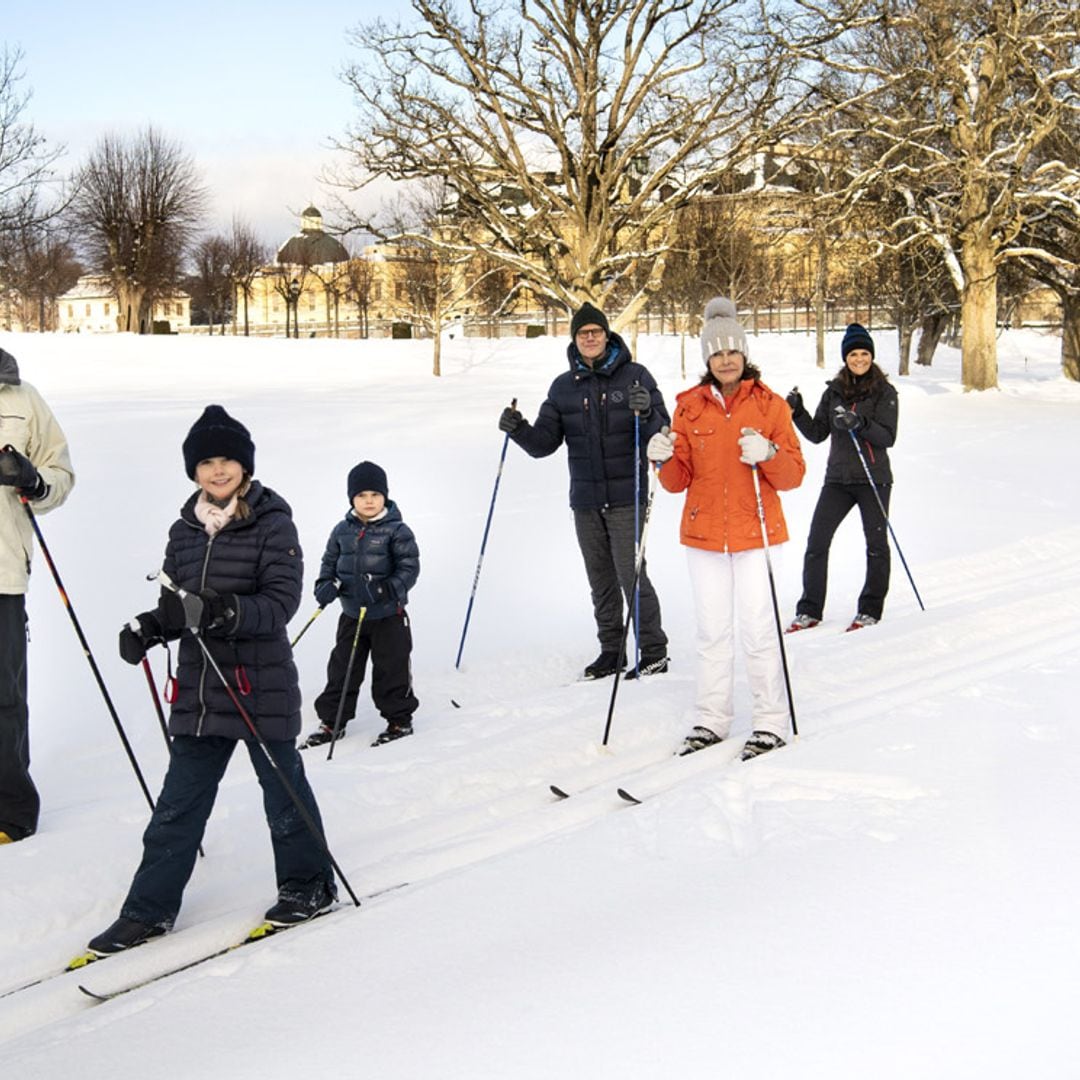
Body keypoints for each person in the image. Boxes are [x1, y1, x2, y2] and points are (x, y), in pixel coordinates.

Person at [86, 405, 335, 955]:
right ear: (193, 472)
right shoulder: (184, 531)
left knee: (283, 793)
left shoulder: (273, 523)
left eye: (227, 460)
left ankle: (308, 886)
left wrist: (223, 612)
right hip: (200, 690)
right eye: (206, 462)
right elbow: (177, 607)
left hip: (257, 684)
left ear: (244, 466)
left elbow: (280, 603)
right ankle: (147, 911)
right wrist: (150, 628)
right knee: (177, 806)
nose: (218, 471)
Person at [647, 298, 805, 760]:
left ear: (744, 353)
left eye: (732, 351)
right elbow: (677, 482)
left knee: (759, 629)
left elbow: (795, 474)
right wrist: (660, 458)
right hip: (704, 536)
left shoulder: (771, 406)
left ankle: (771, 720)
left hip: (756, 532)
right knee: (712, 632)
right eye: (717, 353)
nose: (726, 359)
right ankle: (711, 719)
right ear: (707, 360)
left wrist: (770, 456)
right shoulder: (688, 408)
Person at [498, 302, 670, 680]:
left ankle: (654, 650)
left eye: (596, 331)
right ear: (574, 339)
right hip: (586, 500)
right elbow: (544, 443)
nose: (590, 338)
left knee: (632, 575)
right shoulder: (563, 387)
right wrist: (518, 428)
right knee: (600, 579)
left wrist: (646, 412)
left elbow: (661, 435)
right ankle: (612, 650)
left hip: (627, 496)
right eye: (582, 333)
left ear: (607, 336)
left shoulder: (636, 376)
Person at [0, 346, 75, 845]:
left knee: (4, 697)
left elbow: (60, 474)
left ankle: (10, 809)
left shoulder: (22, 398)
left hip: (2, 571)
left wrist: (33, 480)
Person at [785, 323, 898, 632]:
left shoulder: (885, 392)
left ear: (871, 356)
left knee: (876, 545)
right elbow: (819, 434)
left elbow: (888, 436)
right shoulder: (833, 391)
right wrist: (798, 412)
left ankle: (870, 609)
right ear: (845, 357)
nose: (859, 359)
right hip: (838, 480)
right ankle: (809, 610)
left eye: (864, 353)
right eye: (853, 354)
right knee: (816, 542)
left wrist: (858, 422)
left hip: (873, 479)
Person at [300, 461, 420, 750]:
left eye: (375, 495)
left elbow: (409, 567)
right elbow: (328, 564)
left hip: (388, 615)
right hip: (352, 614)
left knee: (391, 668)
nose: (369, 501)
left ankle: (399, 719)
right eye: (362, 495)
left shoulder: (397, 530)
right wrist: (325, 586)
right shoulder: (342, 530)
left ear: (385, 497)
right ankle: (332, 721)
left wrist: (387, 588)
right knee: (343, 668)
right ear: (351, 498)